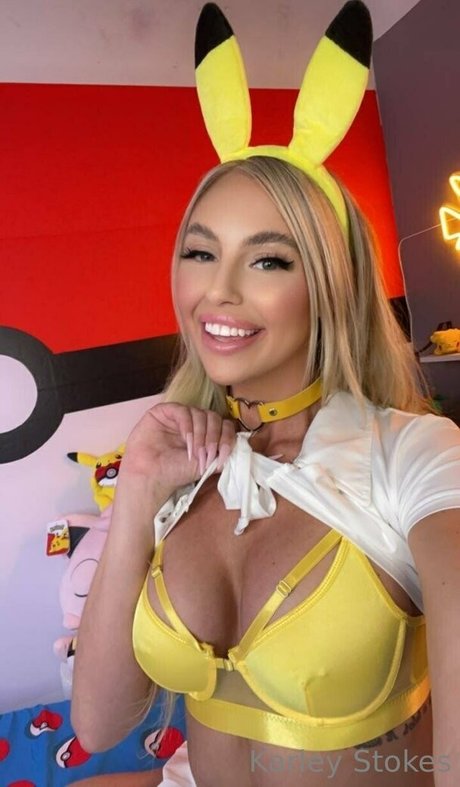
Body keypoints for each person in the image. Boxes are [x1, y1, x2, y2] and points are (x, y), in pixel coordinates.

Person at [70, 3, 460, 786]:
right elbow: (99, 723)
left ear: (331, 284)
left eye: (268, 260)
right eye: (201, 252)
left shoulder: (414, 457)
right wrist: (138, 490)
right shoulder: (178, 467)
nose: (218, 291)